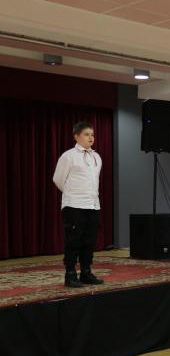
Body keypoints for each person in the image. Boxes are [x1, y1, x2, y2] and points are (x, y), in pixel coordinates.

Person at [53, 122, 104, 288]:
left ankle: (86, 272)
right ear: (76, 136)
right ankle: (70, 274)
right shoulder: (68, 156)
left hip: (93, 205)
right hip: (74, 205)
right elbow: (58, 179)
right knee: (73, 241)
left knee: (89, 240)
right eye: (86, 134)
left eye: (92, 135)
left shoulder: (96, 157)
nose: (91, 138)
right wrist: (72, 194)